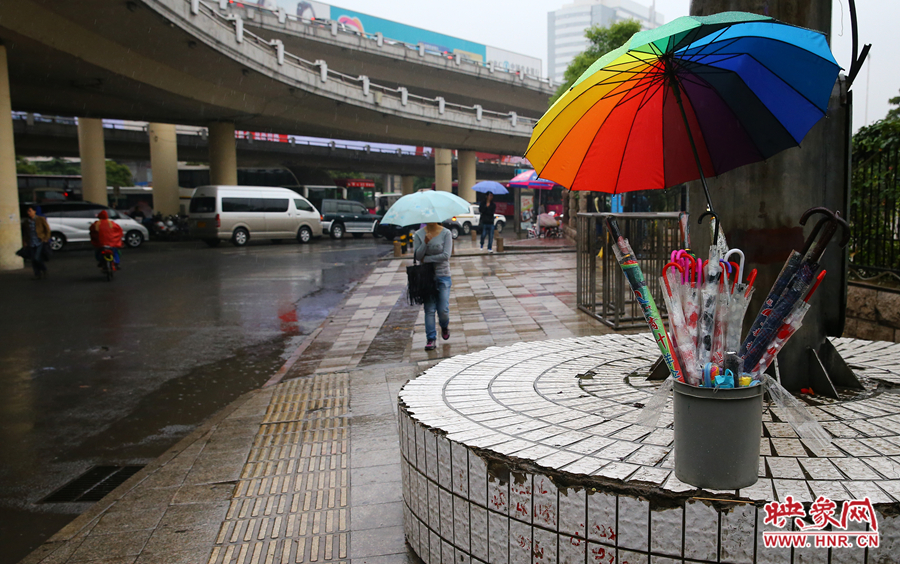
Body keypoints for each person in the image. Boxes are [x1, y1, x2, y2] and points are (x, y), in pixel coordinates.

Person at [413, 221, 452, 351]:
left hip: (443, 275)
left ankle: (444, 325)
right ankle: (431, 338)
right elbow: (418, 256)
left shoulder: (446, 233)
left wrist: (427, 259)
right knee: (429, 309)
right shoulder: (418, 234)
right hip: (426, 277)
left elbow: (446, 256)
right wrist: (425, 242)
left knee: (443, 310)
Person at [20, 205, 50, 279]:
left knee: (37, 257)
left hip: (39, 241)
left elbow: (47, 229)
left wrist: (46, 238)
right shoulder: (27, 222)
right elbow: (25, 233)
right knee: (33, 259)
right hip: (31, 242)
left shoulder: (40, 219)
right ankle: (37, 274)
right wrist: (25, 241)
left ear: (34, 211)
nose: (28, 213)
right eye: (28, 211)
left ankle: (44, 269)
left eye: (30, 211)